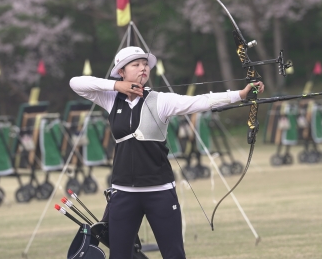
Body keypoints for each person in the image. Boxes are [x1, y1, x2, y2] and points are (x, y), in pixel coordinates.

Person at [70, 46, 264, 259]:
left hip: (159, 191)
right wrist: (117, 85)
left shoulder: (161, 100)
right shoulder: (111, 99)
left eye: (145, 64)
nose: (143, 68)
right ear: (122, 72)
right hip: (123, 192)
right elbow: (76, 83)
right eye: (136, 64)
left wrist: (241, 94)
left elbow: (200, 101)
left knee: (174, 254)